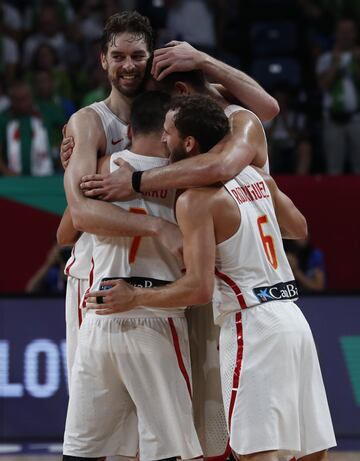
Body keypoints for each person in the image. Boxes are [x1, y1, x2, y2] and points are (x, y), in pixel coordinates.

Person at [86, 95, 337, 461]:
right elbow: (298, 227)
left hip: (253, 325)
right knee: (310, 452)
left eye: (168, 134)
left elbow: (199, 288)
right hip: (293, 320)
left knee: (255, 452)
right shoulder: (256, 175)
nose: (163, 141)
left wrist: (135, 297)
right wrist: (248, 223)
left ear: (189, 143)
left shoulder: (195, 201)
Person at [62, 90, 203, 461]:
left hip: (99, 313)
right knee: (169, 451)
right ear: (166, 134)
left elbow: (65, 233)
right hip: (156, 316)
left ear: (128, 128)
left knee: (82, 451)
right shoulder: (186, 180)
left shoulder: (102, 167)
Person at [316, 17, 360, 174]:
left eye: (349, 31)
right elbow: (323, 86)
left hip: (357, 119)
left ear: (355, 34)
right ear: (336, 34)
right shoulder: (326, 59)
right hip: (332, 119)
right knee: (334, 169)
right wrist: (335, 64)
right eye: (342, 32)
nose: (345, 35)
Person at [0, 80, 53, 176]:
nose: (22, 104)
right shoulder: (3, 119)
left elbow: (68, 126)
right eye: (17, 100)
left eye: (25, 99)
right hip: (15, 179)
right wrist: (6, 172)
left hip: (46, 175)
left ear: (31, 97)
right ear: (11, 100)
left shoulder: (45, 111)